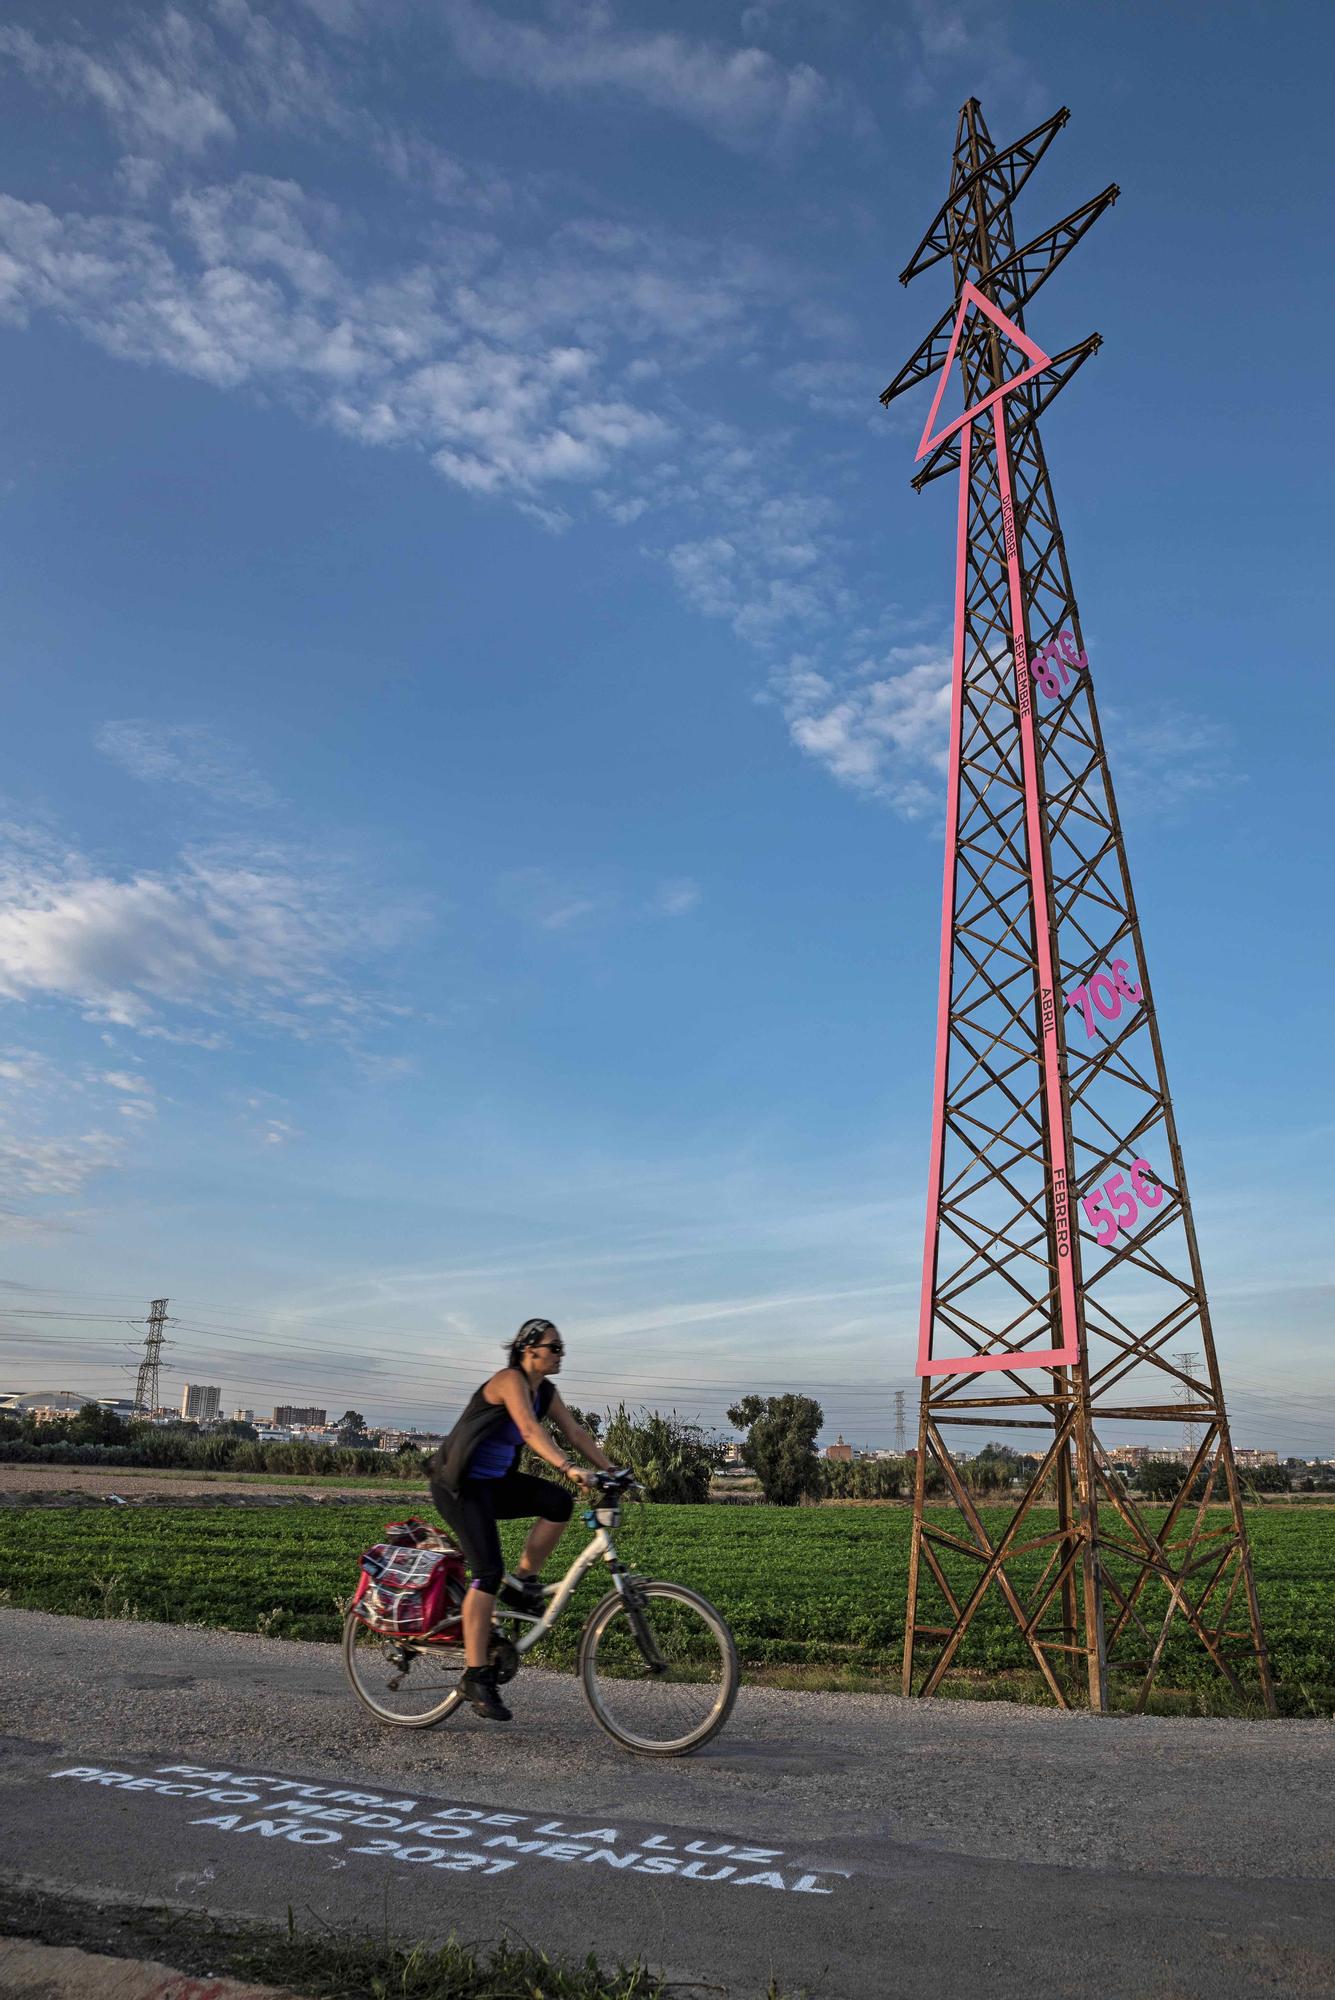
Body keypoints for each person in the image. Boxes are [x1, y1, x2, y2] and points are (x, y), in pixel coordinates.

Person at [429, 1317, 614, 1721]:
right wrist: (569, 1468)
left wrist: (613, 1470)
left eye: (561, 1347)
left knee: (558, 1503)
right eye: (554, 1347)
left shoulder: (545, 1391)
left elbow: (577, 1433)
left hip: (495, 1484)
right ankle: (476, 1675)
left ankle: (525, 1581)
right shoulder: (509, 1380)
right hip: (459, 1487)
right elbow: (530, 1431)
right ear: (529, 1350)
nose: (560, 1353)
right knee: (487, 1573)